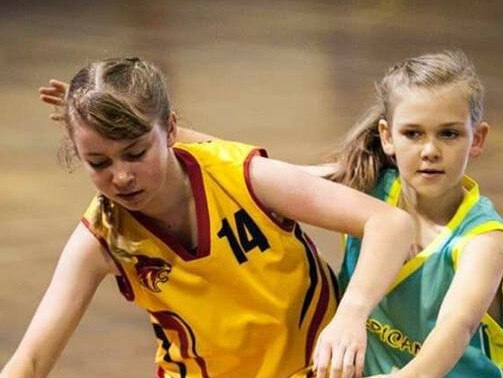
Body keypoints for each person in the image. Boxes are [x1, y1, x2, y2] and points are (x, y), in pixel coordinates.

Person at [0, 58, 415, 378]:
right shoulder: (102, 236)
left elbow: (390, 224)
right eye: (98, 162)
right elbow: (32, 359)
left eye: (135, 153)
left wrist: (350, 316)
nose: (121, 176)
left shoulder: (243, 177)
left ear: (172, 130)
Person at [329, 51, 503, 377]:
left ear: (476, 139)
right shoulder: (365, 187)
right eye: (413, 133)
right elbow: (250, 172)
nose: (430, 151)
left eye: (449, 133)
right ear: (387, 136)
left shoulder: (484, 241)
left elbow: (457, 326)